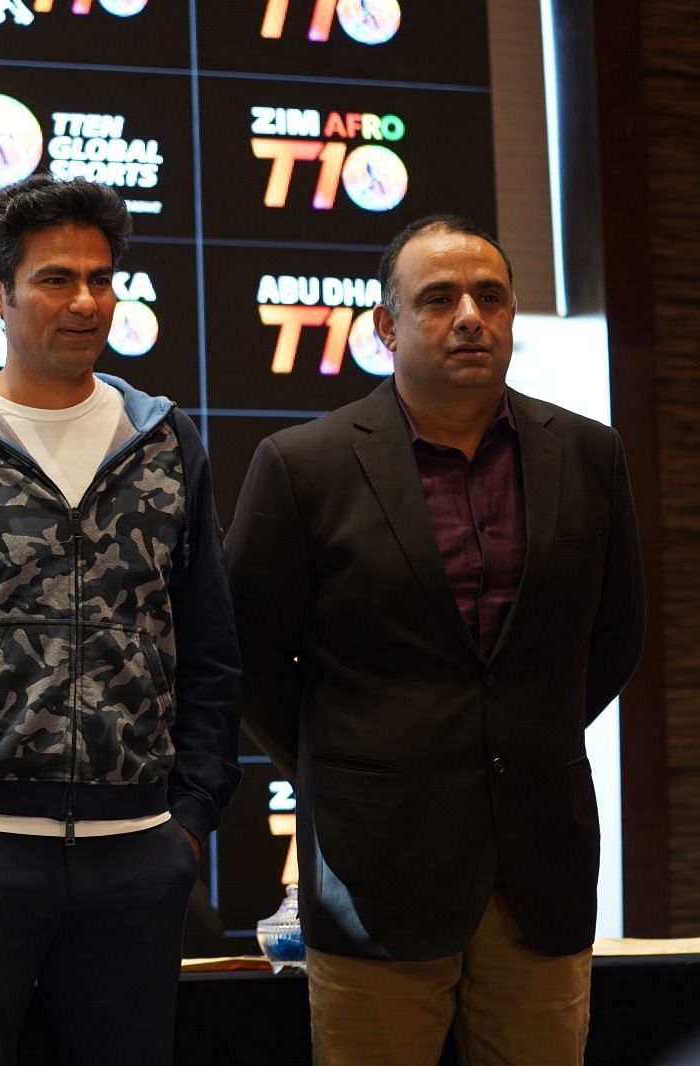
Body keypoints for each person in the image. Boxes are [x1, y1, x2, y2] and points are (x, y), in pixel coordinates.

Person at [225, 214, 645, 1065]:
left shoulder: (589, 455)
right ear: (385, 326)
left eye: (490, 298)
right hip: (375, 867)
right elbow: (246, 657)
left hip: (540, 865)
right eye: (439, 298)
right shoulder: (304, 464)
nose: (469, 317)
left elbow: (615, 634)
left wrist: (525, 731)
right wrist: (341, 760)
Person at [0, 175, 242, 1066]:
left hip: (139, 856)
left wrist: (187, 821)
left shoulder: (167, 441)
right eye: (56, 280)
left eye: (102, 279)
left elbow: (212, 650)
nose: (86, 302)